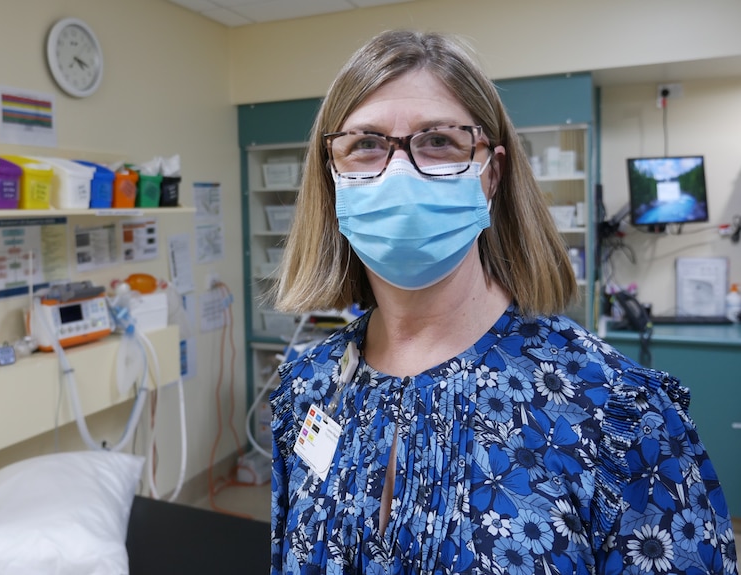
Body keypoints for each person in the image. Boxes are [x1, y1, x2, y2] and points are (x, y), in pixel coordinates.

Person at [269, 29, 738, 575]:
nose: (398, 172)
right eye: (365, 144)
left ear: (490, 173)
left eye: (438, 140)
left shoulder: (615, 414)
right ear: (332, 177)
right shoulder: (308, 387)